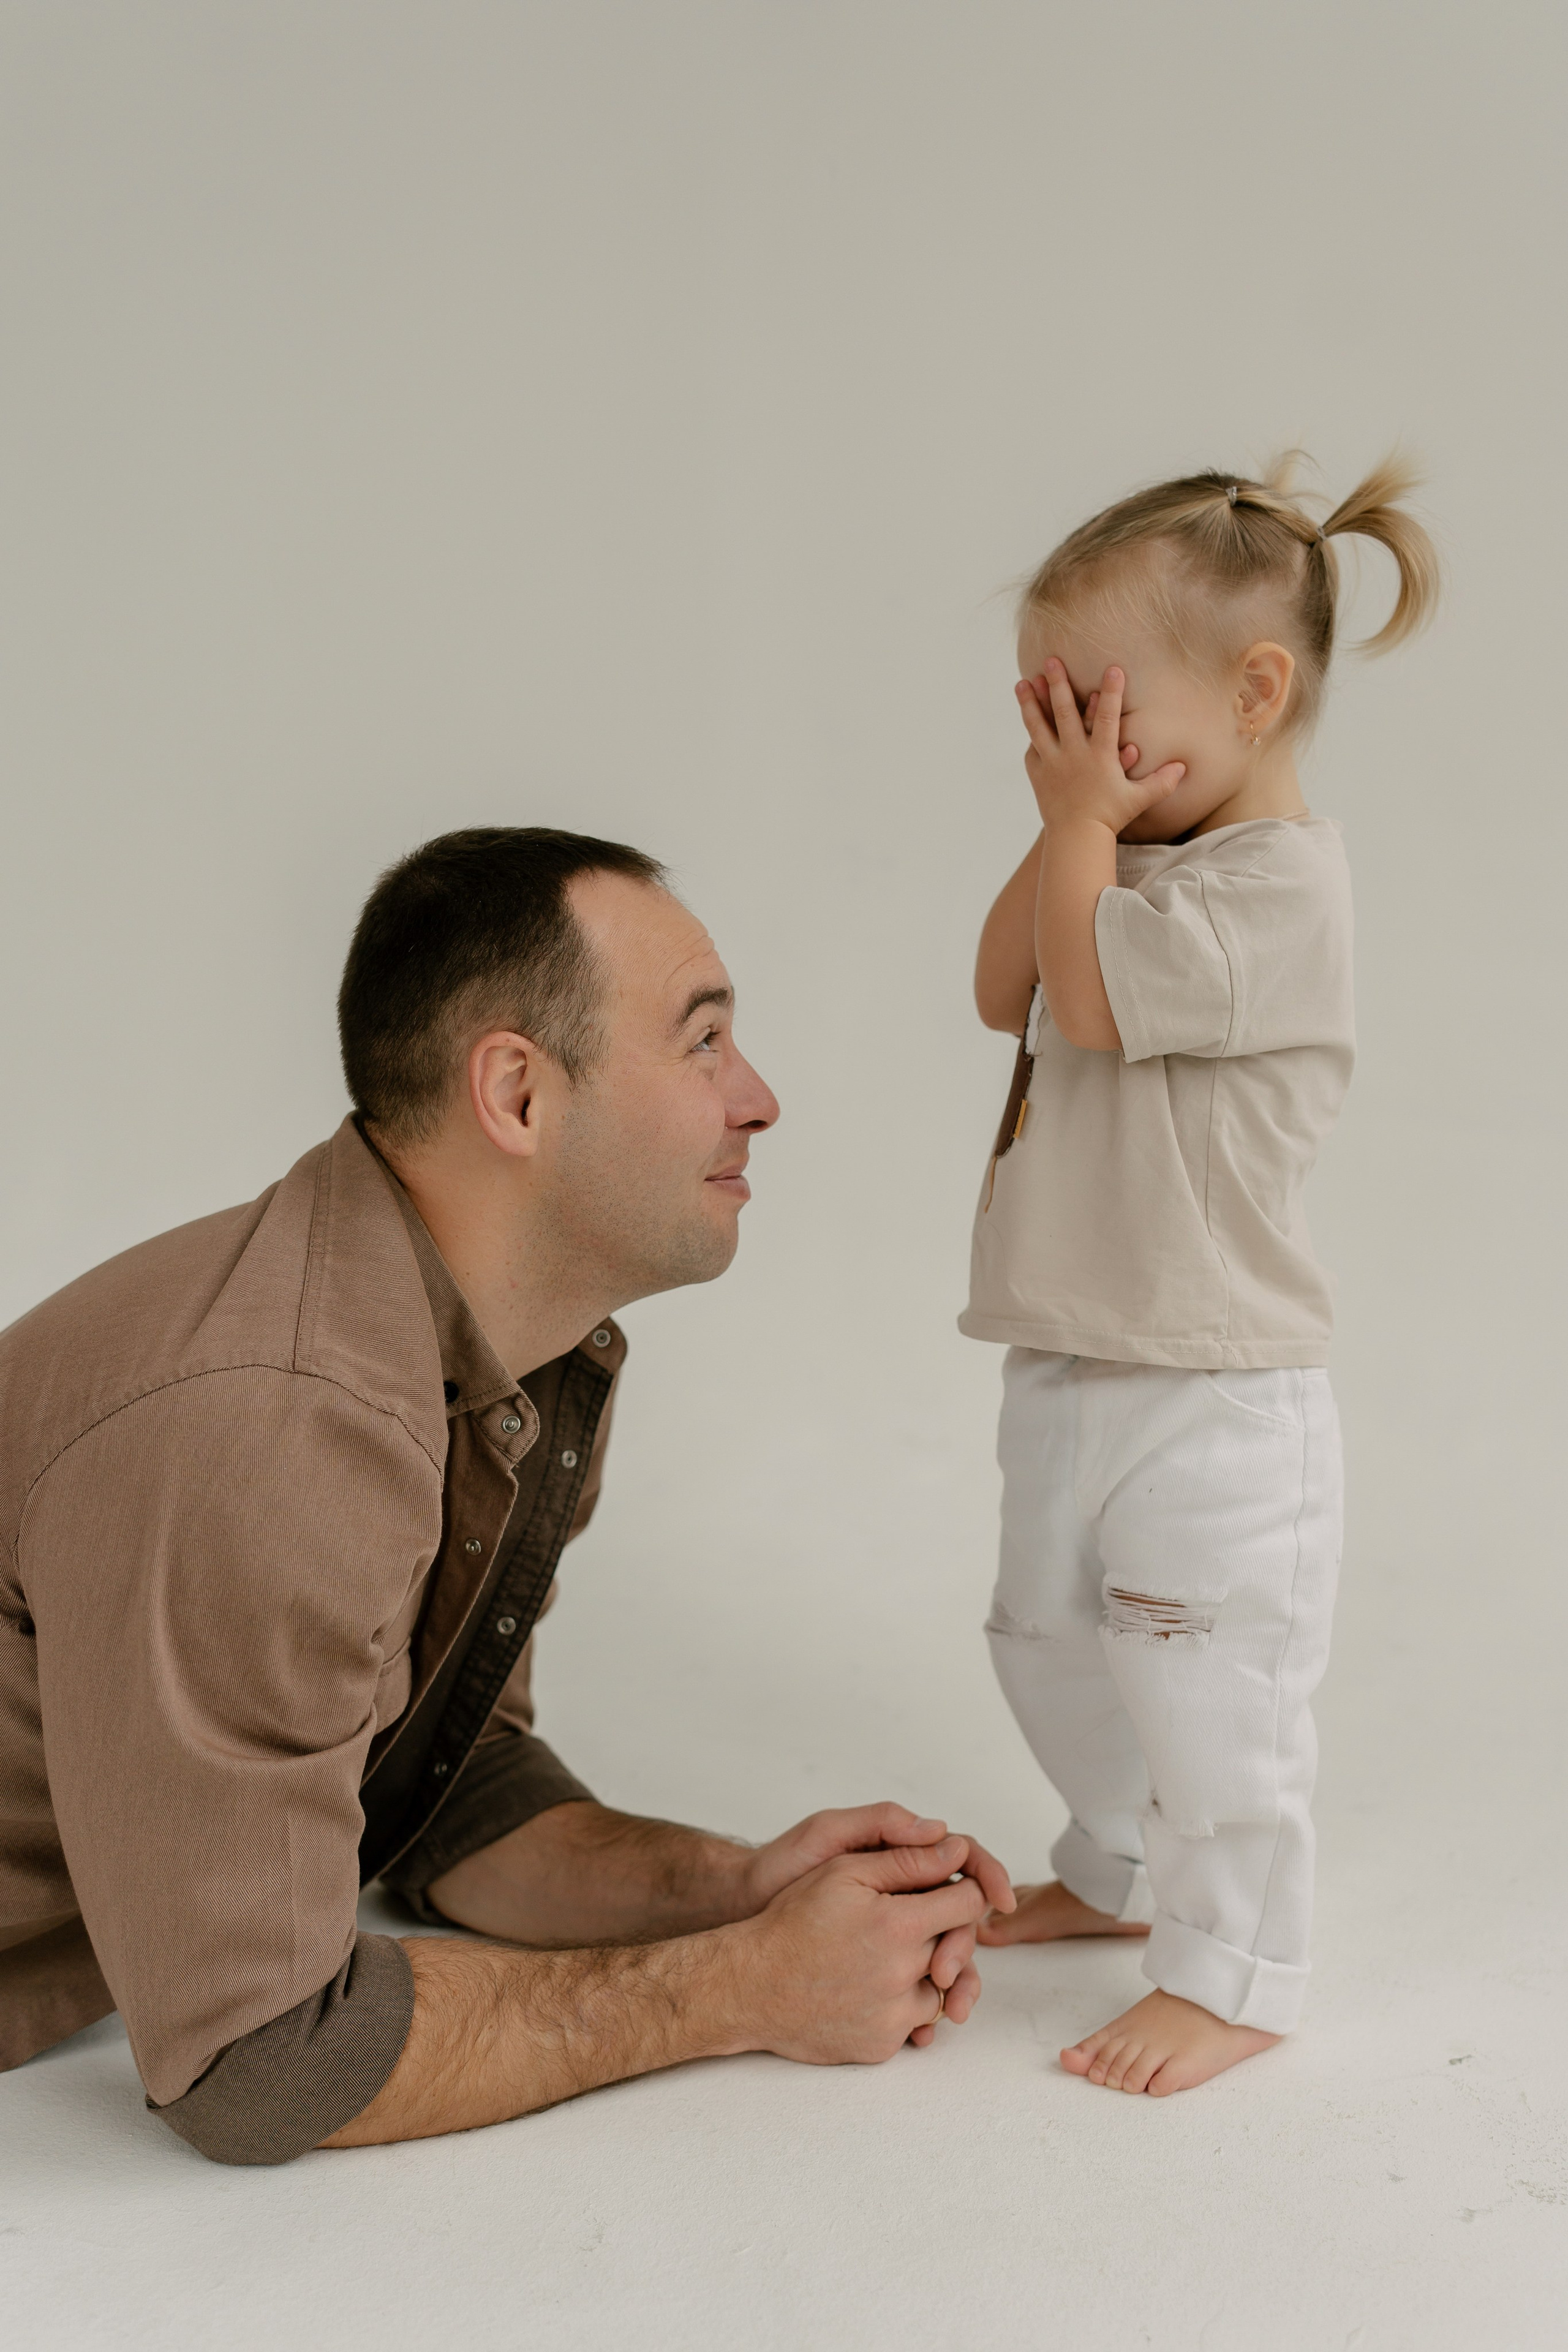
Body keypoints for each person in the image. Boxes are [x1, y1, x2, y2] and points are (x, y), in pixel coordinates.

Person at [0, 825, 1011, 2163]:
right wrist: (743, 1987)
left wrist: (734, 1891)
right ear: (519, 1096)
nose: (756, 1097)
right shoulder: (270, 1426)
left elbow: (438, 1784)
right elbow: (255, 2064)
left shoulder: (509, 1366)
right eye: (701, 1041)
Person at [963, 461, 1439, 2094]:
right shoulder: (1117, 857)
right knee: (1047, 1637)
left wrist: (1081, 828)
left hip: (1218, 1386)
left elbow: (1087, 1007)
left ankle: (1236, 1965)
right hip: (1074, 1348)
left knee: (1205, 1672)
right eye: (1051, 718)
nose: (1072, 752)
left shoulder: (1279, 892)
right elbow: (999, 986)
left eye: (1103, 710)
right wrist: (1075, 823)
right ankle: (1115, 1866)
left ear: (1259, 692)